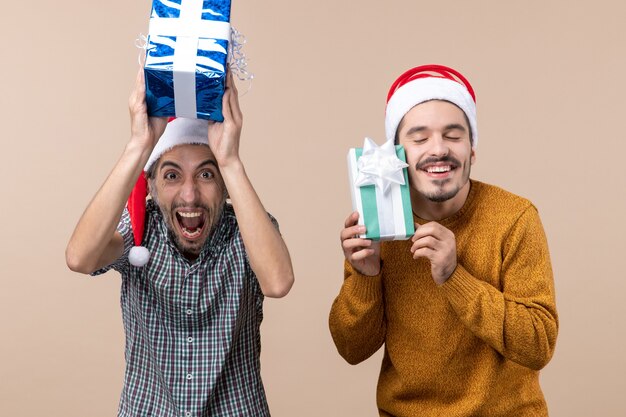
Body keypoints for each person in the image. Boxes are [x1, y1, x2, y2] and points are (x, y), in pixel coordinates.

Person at [329, 64, 558, 416]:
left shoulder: (515, 218)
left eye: (453, 136)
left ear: (472, 149)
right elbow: (351, 349)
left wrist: (455, 277)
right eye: (419, 138)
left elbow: (538, 344)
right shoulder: (378, 224)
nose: (438, 150)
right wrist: (366, 276)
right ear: (396, 154)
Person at [66, 69, 294, 416]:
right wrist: (138, 147)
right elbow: (80, 258)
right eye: (171, 175)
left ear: (225, 186)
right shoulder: (140, 231)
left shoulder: (247, 229)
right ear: (152, 186)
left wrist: (229, 159)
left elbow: (278, 282)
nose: (190, 195)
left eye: (206, 174)